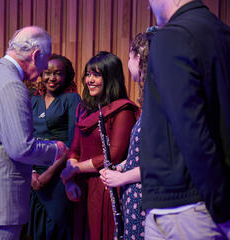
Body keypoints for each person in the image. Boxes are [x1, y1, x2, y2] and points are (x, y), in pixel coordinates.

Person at [0, 26, 67, 240]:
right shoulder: (12, 85)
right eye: (45, 61)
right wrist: (56, 149)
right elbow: (21, 148)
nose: (44, 69)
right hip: (0, 203)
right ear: (35, 55)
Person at [141, 0, 230, 239]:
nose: (149, 6)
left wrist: (220, 207)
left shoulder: (172, 37)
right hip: (203, 201)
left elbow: (191, 127)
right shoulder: (221, 32)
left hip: (185, 205)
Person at [60, 51, 138, 240]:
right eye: (88, 74)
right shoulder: (83, 108)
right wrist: (69, 182)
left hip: (106, 187)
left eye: (96, 75)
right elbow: (75, 149)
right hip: (82, 187)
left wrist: (75, 169)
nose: (90, 80)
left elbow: (114, 156)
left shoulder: (123, 110)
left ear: (110, 78)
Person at [99, 29, 157, 240]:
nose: (128, 62)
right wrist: (122, 166)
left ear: (138, 58)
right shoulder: (152, 99)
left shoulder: (159, 103)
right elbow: (143, 154)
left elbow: (160, 163)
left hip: (144, 199)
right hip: (135, 198)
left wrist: (121, 177)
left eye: (129, 56)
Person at [28, 54, 80, 240]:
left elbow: (74, 140)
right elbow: (27, 139)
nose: (52, 78)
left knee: (55, 226)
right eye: (47, 73)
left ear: (67, 76)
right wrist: (32, 172)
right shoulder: (33, 101)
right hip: (33, 175)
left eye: (58, 73)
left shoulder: (72, 99)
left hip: (58, 174)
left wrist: (49, 173)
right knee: (35, 228)